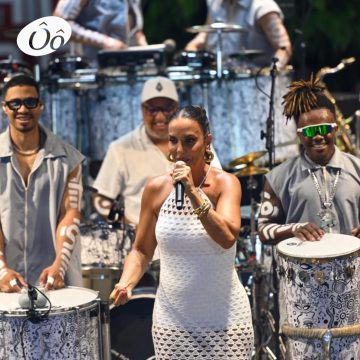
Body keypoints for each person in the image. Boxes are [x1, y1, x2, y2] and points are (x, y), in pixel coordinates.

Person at [110, 105, 254, 359]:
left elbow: (227, 238)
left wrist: (193, 192)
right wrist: (126, 282)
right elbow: (142, 250)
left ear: (207, 141)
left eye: (189, 141)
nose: (179, 150)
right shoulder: (156, 189)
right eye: (173, 141)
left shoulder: (226, 183)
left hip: (226, 319)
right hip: (172, 321)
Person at [92, 76, 221, 225]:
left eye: (167, 109)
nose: (160, 116)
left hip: (194, 233)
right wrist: (130, 228)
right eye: (152, 109)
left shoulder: (198, 143)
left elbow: (217, 186)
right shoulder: (120, 148)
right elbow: (101, 198)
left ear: (177, 108)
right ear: (142, 109)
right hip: (141, 238)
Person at [0, 75, 85, 293]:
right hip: (4, 281)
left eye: (30, 102)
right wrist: (2, 270)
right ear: (4, 108)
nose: (22, 109)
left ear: (41, 105)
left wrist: (60, 264)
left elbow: (71, 213)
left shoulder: (69, 158)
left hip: (54, 283)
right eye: (14, 103)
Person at [258, 75, 360, 243]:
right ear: (299, 134)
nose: (318, 136)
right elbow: (263, 230)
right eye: (310, 131)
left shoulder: (357, 168)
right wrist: (294, 228)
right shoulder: (278, 177)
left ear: (336, 129)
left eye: (324, 128)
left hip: (352, 267)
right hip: (304, 267)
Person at [185, 0, 292, 69]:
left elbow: (284, 47)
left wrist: (272, 71)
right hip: (217, 79)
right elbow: (203, 36)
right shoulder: (215, 3)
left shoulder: (263, 7)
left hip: (254, 85)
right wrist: (191, 51)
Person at [53, 0, 148, 66]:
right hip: (91, 74)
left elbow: (136, 31)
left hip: (126, 72)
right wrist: (104, 42)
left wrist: (147, 50)